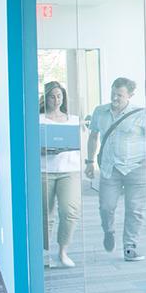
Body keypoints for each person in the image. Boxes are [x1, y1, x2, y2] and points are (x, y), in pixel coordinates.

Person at [86, 77, 146, 261]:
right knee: (106, 207)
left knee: (135, 209)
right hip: (110, 168)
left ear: (130, 95)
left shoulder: (141, 114)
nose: (115, 98)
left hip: (136, 168)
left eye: (119, 95)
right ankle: (109, 230)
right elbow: (93, 137)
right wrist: (89, 162)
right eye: (113, 93)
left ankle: (130, 246)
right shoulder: (100, 111)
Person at [40, 81, 83, 268]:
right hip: (44, 171)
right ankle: (43, 252)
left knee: (70, 211)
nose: (56, 100)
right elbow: (30, 146)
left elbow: (79, 144)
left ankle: (63, 251)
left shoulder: (73, 119)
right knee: (44, 214)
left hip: (69, 171)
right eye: (52, 96)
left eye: (59, 96)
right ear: (45, 98)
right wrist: (44, 150)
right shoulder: (38, 119)